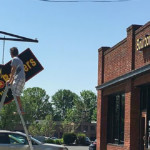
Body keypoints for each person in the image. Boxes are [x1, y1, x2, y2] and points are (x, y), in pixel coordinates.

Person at [6, 47, 25, 114]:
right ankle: (20, 109)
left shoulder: (14, 59)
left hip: (19, 79)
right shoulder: (19, 60)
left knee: (16, 95)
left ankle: (21, 110)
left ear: (11, 53)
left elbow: (13, 70)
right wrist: (11, 81)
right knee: (16, 94)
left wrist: (9, 80)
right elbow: (16, 72)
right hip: (22, 79)